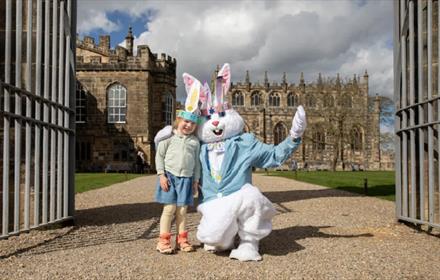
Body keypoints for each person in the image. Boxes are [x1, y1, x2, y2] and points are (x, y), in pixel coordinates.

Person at [154, 82, 201, 254]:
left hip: (187, 179)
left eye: (192, 123)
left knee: (182, 210)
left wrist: (196, 180)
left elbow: (197, 163)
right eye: (186, 121)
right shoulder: (169, 138)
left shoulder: (195, 142)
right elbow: (159, 156)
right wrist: (161, 175)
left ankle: (182, 239)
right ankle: (163, 241)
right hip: (170, 178)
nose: (188, 125)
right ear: (179, 121)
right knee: (169, 209)